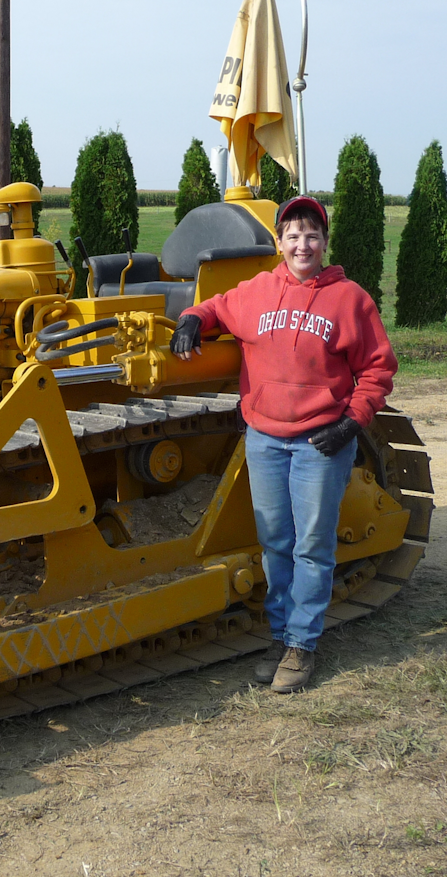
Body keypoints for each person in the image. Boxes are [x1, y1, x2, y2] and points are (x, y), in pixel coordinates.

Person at [170, 196, 397, 693]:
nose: (302, 244)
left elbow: (379, 368)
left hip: (322, 441)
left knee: (313, 546)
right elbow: (214, 307)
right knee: (275, 543)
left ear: (324, 242)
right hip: (266, 438)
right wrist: (192, 318)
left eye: (311, 235)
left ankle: (301, 645)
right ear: (278, 242)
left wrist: (352, 422)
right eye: (292, 235)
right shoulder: (256, 291)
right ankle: (280, 635)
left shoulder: (350, 299)